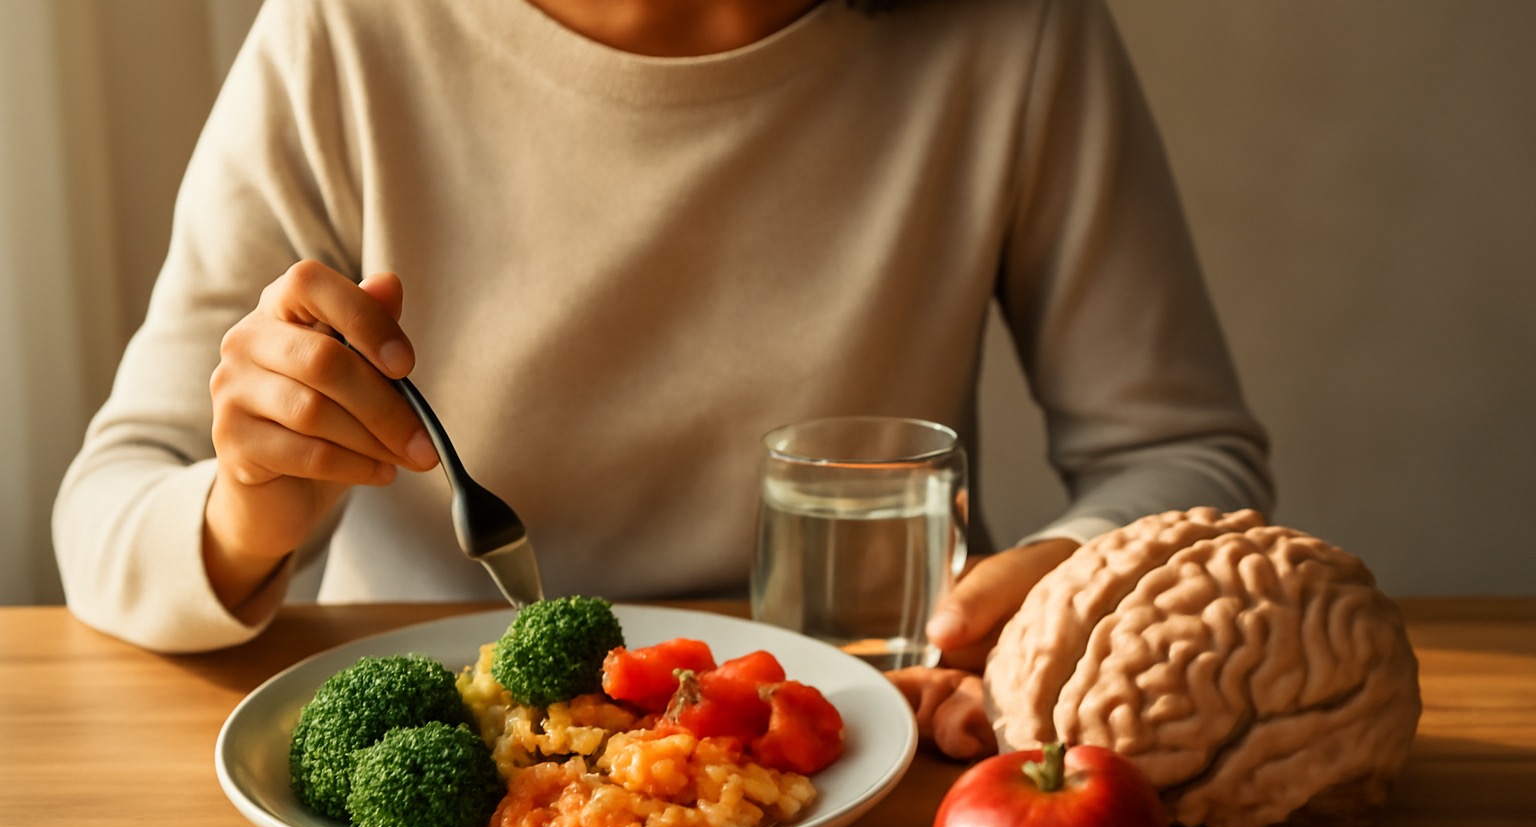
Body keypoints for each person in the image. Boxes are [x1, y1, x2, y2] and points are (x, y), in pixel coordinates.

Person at [52, 0, 1273, 760]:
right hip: (458, 793)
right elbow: (107, 509)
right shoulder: (344, 30)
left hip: (883, 765)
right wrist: (248, 507)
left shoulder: (1016, 31)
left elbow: (1185, 459)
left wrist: (1066, 582)